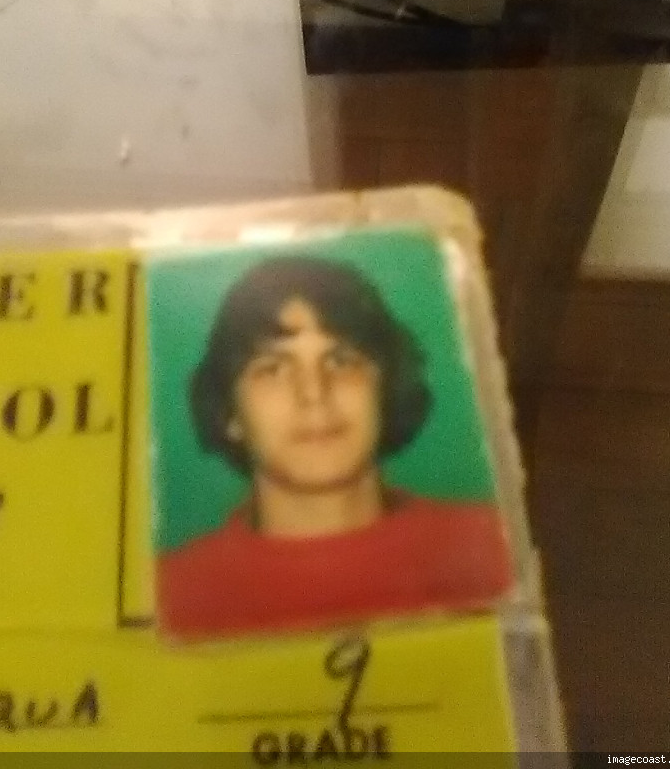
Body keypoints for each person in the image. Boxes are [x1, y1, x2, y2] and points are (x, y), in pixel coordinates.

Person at [157, 255, 513, 637]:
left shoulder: (493, 547)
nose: (314, 394)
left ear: (386, 388)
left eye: (341, 361)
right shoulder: (167, 596)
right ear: (231, 413)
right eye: (273, 368)